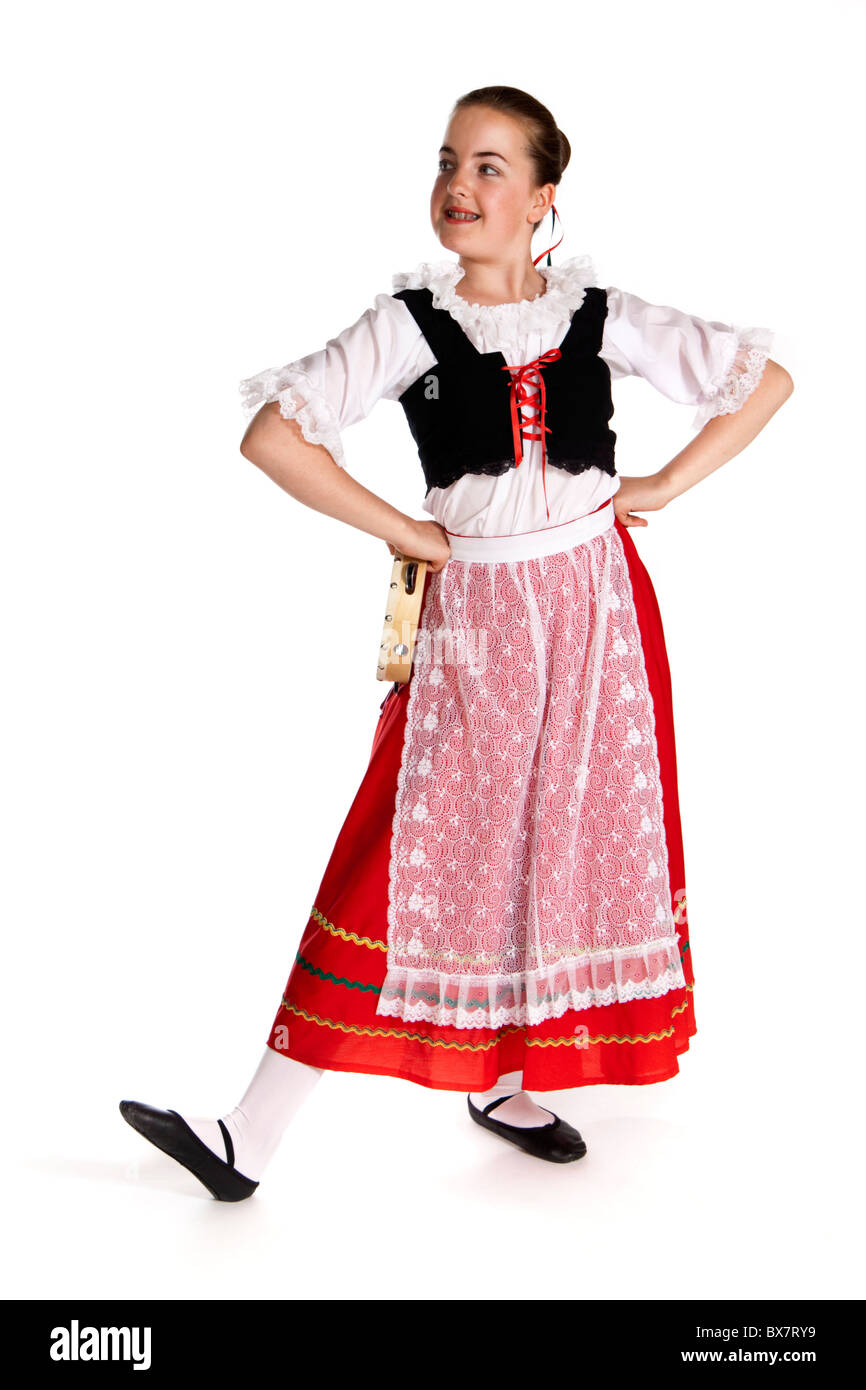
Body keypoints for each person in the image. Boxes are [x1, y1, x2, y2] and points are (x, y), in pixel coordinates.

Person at [120, 85, 794, 1199]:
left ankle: (503, 1075)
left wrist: (663, 484)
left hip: (591, 604)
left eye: (489, 166)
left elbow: (761, 379)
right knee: (407, 842)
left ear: (542, 198)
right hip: (478, 616)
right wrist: (406, 530)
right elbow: (271, 438)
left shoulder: (598, 316)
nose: (459, 185)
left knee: (557, 834)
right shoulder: (406, 325)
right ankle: (247, 1133)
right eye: (447, 161)